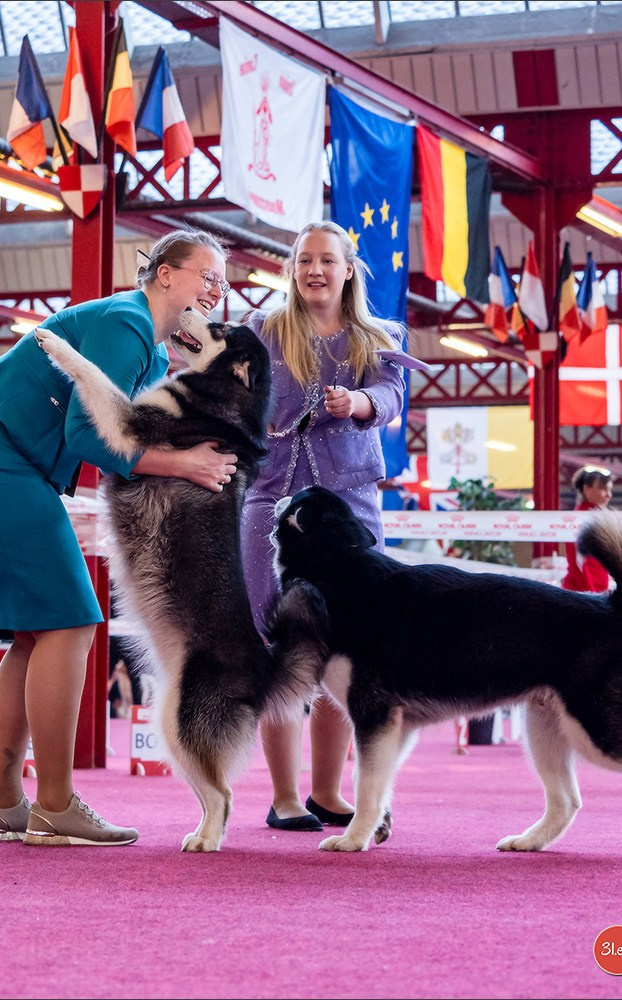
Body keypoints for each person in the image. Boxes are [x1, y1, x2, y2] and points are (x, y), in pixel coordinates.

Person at [0, 228, 237, 847]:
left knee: (36, 633)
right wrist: (187, 464)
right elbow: (89, 436)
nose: (216, 289)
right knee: (71, 622)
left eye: (222, 282)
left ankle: (3, 804)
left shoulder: (148, 346)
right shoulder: (126, 323)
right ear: (166, 274)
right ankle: (56, 804)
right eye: (207, 274)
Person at [241, 220, 422, 831]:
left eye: (326, 260)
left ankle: (328, 791)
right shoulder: (261, 333)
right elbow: (228, 393)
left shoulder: (381, 336)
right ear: (292, 270)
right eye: (303, 260)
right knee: (281, 643)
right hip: (270, 507)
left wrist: (361, 403)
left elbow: (392, 398)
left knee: (346, 647)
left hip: (349, 510)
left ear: (349, 270)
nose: (314, 270)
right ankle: (284, 797)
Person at [561, 465, 614, 593]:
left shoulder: (599, 517)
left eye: (610, 489)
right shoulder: (579, 519)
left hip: (594, 592)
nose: (608, 495)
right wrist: (590, 593)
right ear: (586, 489)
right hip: (583, 592)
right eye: (603, 489)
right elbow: (578, 562)